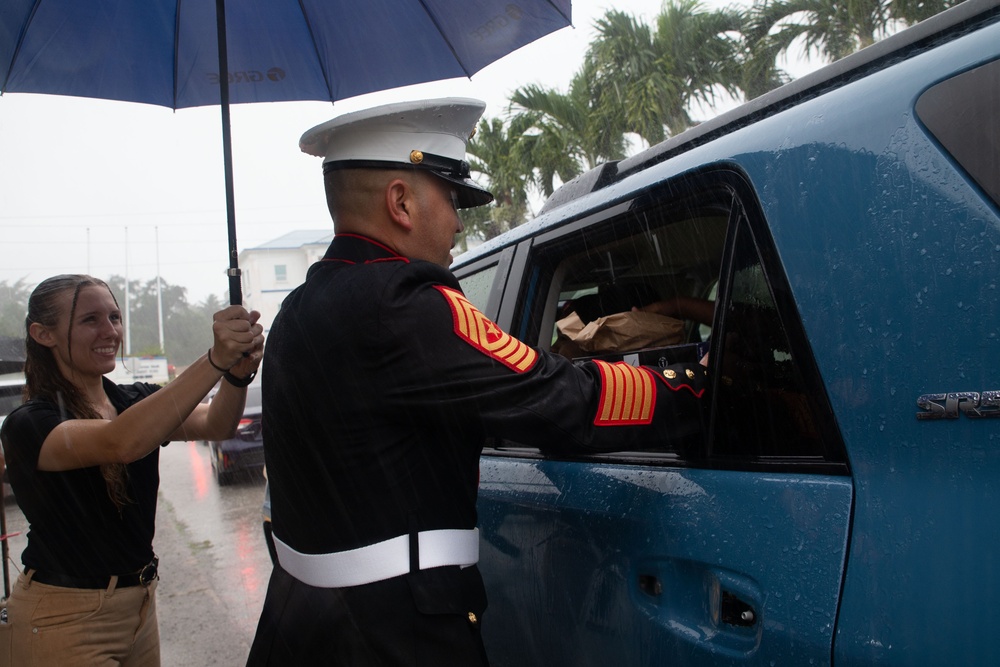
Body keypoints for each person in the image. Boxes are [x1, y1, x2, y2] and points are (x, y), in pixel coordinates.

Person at [247, 98, 708, 666]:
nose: (459, 223)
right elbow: (560, 399)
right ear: (401, 202)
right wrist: (693, 381)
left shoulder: (297, 310)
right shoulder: (405, 304)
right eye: (452, 199)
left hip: (301, 623)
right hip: (394, 637)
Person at [0, 274, 263, 666]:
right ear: (43, 334)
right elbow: (121, 443)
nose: (110, 331)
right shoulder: (29, 422)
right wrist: (214, 360)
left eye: (115, 317)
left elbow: (217, 425)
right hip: (61, 618)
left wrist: (237, 375)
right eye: (90, 320)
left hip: (138, 608)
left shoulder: (133, 400)